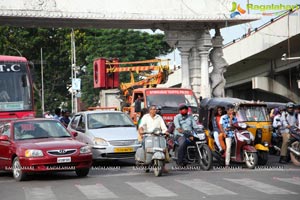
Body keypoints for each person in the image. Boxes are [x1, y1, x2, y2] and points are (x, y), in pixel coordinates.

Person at [138, 105, 169, 172]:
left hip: (158, 135)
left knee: (164, 147)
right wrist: (141, 130)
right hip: (147, 135)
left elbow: (163, 127)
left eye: (155, 109)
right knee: (144, 146)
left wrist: (166, 132)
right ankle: (145, 161)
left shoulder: (159, 117)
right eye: (153, 109)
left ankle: (163, 165)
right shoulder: (145, 117)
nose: (155, 110)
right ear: (150, 110)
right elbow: (141, 126)